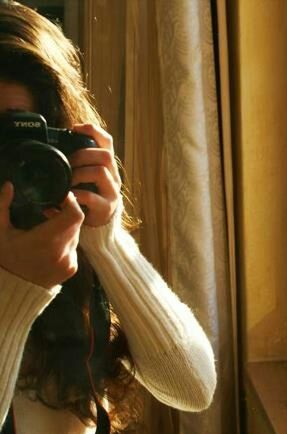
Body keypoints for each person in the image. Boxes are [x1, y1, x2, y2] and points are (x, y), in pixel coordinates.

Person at [0, 2, 217, 433]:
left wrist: (107, 241)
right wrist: (18, 287)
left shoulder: (63, 227)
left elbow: (192, 389)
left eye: (17, 134)